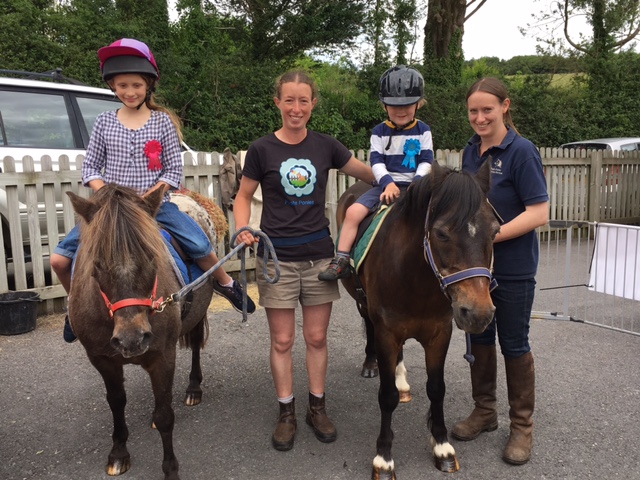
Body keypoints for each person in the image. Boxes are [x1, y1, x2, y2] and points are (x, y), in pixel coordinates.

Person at [50, 38, 255, 343]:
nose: (129, 92)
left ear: (148, 85)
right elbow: (90, 167)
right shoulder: (105, 122)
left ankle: (226, 284)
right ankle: (73, 307)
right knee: (59, 260)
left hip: (154, 205)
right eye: (122, 85)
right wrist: (106, 194)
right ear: (112, 87)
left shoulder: (162, 122)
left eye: (135, 85)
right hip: (111, 209)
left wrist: (149, 199)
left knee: (199, 245)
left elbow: (173, 170)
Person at [233, 69, 374, 452]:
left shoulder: (327, 146)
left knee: (315, 337)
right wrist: (244, 227)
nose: (296, 108)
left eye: (304, 101)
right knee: (282, 340)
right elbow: (243, 196)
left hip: (318, 259)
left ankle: (317, 408)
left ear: (313, 104)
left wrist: (397, 178)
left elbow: (368, 173)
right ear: (277, 103)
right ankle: (286, 413)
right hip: (276, 259)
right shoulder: (262, 150)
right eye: (289, 100)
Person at [451, 77, 549, 465]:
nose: (479, 117)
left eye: (487, 109)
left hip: (514, 267)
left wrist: (490, 238)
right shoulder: (469, 153)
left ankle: (522, 427)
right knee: (478, 339)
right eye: (473, 111)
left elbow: (540, 212)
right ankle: (485, 411)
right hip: (476, 271)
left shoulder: (522, 151)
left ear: (504, 106)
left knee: (514, 342)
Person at [318, 65, 434, 281]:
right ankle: (341, 259)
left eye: (407, 105)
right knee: (352, 213)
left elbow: (427, 160)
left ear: (418, 104)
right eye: (393, 105)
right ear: (384, 105)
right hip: (385, 185)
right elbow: (377, 161)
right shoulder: (379, 131)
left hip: (417, 187)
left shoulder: (423, 130)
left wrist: (417, 183)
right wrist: (388, 183)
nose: (401, 110)